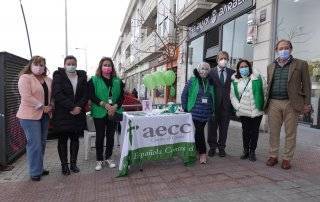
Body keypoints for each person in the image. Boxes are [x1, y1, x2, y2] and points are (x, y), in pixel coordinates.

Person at [264, 39, 311, 170]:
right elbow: (269, 84)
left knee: (290, 132)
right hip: (273, 102)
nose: (283, 50)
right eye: (280, 48)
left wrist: (307, 103)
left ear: (290, 49)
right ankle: (273, 156)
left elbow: (306, 85)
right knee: (274, 131)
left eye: (286, 48)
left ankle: (287, 158)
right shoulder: (270, 66)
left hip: (292, 103)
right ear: (276, 50)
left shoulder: (301, 64)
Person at [17, 56, 52, 181]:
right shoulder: (25, 78)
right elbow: (26, 96)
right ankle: (34, 172)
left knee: (42, 143)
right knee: (34, 144)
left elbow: (51, 96)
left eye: (42, 65)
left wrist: (51, 105)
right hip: (29, 116)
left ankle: (39, 168)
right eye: (36, 64)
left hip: (45, 115)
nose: (39, 67)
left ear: (45, 67)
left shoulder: (48, 79)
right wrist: (42, 107)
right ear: (30, 65)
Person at [52, 55, 88, 175]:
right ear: (64, 65)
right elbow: (57, 94)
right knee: (62, 140)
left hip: (78, 113)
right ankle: (64, 166)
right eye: (68, 63)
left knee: (75, 139)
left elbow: (85, 95)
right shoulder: (58, 75)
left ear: (76, 65)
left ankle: (73, 164)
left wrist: (78, 107)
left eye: (73, 63)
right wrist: (72, 107)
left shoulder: (82, 76)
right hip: (63, 114)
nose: (71, 65)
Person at [89, 57, 124, 171]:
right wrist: (104, 104)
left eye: (109, 65)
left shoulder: (118, 81)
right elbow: (91, 95)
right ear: (100, 66)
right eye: (105, 65)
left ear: (112, 67)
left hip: (114, 111)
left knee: (110, 136)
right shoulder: (94, 80)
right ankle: (99, 159)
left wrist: (115, 106)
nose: (107, 67)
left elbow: (121, 97)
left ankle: (108, 157)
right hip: (99, 111)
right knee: (99, 136)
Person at [230, 59, 266, 162]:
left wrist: (263, 104)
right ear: (238, 69)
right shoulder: (235, 81)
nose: (243, 68)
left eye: (245, 66)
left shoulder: (257, 78)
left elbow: (265, 90)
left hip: (257, 110)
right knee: (245, 132)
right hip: (243, 110)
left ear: (249, 67)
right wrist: (238, 107)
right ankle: (245, 150)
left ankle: (252, 152)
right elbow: (232, 96)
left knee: (255, 132)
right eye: (241, 67)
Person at [181, 62, 215, 164]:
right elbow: (184, 95)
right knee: (200, 131)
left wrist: (213, 109)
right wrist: (185, 108)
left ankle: (195, 149)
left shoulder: (210, 81)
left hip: (206, 112)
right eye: (202, 68)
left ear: (209, 71)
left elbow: (212, 96)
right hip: (194, 111)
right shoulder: (192, 80)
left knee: (198, 132)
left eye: (206, 69)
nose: (204, 70)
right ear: (198, 69)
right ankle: (203, 153)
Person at [207, 51, 235, 157]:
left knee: (224, 128)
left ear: (228, 59)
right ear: (217, 60)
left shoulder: (232, 73)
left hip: (226, 106)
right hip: (213, 105)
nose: (223, 60)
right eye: (221, 58)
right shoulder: (210, 72)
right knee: (212, 128)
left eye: (225, 58)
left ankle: (222, 147)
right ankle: (212, 147)